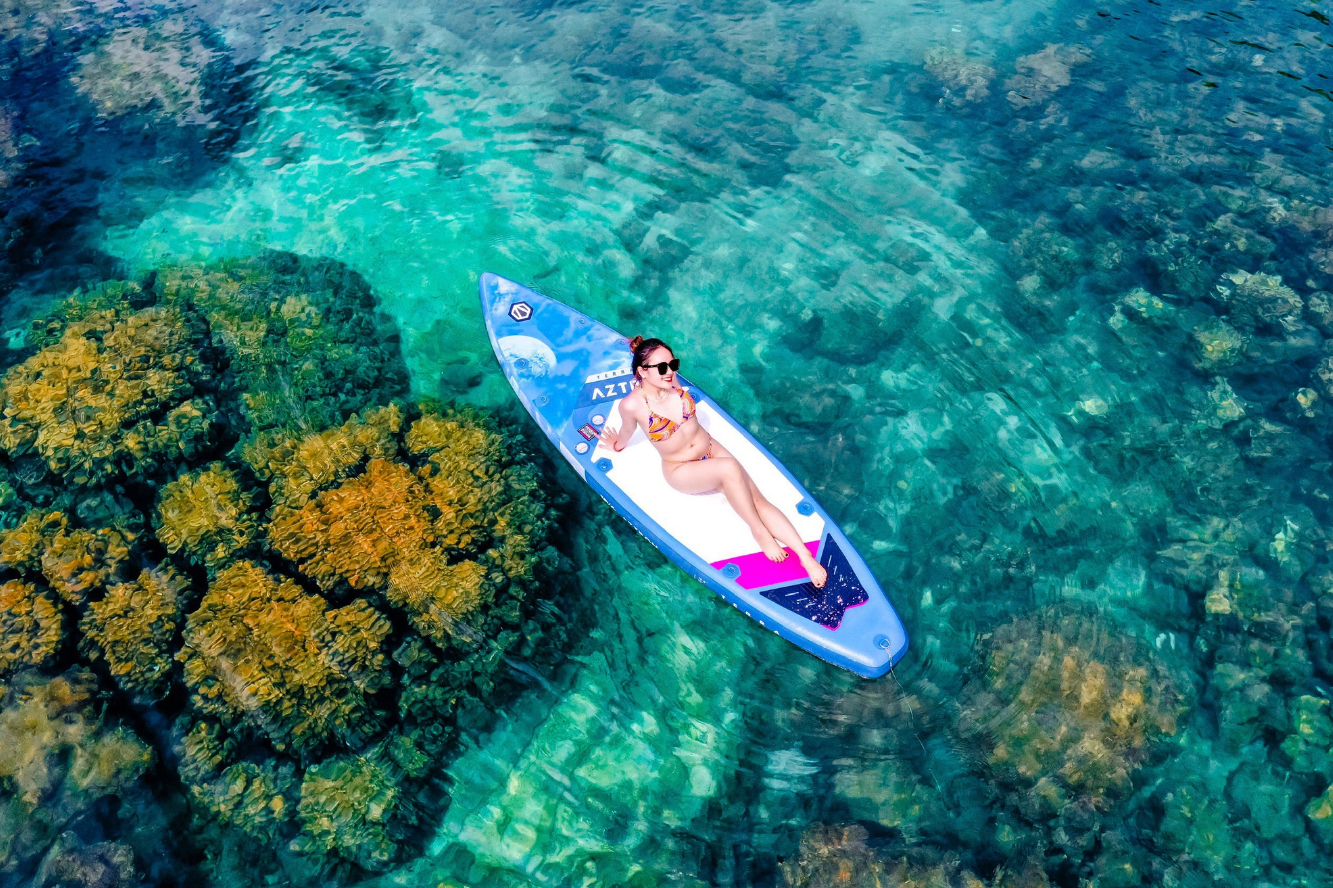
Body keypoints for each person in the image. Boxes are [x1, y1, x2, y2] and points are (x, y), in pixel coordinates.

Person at [597, 335, 829, 589]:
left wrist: (641, 348)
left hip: (709, 447)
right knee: (730, 469)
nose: (670, 372)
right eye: (662, 368)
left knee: (758, 500)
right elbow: (627, 433)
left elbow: (657, 364)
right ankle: (758, 531)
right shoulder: (631, 405)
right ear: (642, 372)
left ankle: (805, 557)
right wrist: (616, 445)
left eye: (673, 364)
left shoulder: (670, 379)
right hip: (681, 469)